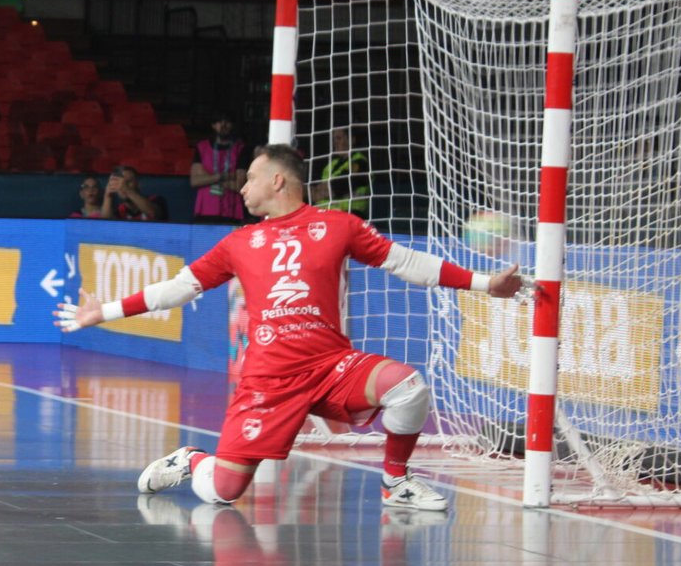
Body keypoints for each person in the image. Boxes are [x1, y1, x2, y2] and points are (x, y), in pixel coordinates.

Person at [57, 144, 528, 512]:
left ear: (277, 180)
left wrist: (486, 284)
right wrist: (106, 311)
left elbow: (406, 262)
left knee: (408, 387)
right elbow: (180, 288)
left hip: (329, 364)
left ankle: (396, 482)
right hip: (268, 379)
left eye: (250, 179)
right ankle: (191, 460)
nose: (241, 189)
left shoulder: (338, 225)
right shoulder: (238, 241)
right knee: (223, 491)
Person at [190, 113, 246, 223]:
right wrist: (227, 176)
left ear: (232, 125)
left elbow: (240, 186)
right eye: (219, 121)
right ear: (213, 125)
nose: (223, 125)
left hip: (232, 211)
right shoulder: (202, 147)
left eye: (227, 122)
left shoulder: (241, 149)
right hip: (205, 210)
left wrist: (208, 178)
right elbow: (195, 181)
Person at [311, 127, 370, 218]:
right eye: (333, 139)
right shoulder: (330, 164)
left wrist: (316, 192)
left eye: (339, 138)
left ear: (351, 140)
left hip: (349, 215)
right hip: (324, 214)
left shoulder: (360, 163)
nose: (335, 142)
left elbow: (337, 187)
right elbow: (314, 188)